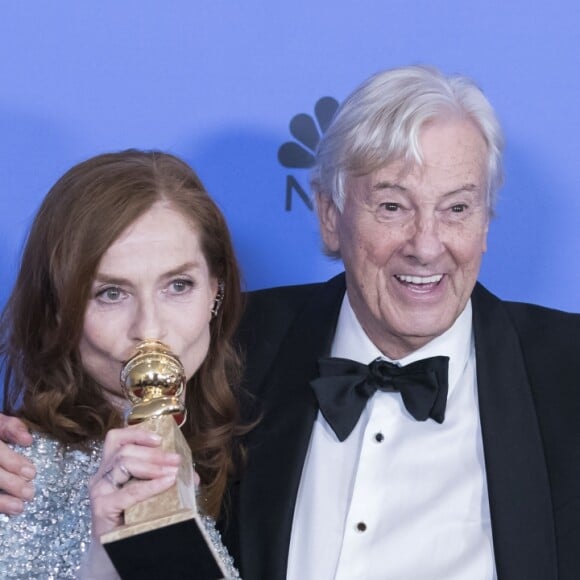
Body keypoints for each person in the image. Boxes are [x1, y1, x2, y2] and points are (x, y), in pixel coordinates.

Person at [2, 65, 580, 580]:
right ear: (329, 217)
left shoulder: (567, 372)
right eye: (392, 206)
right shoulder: (234, 347)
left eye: (456, 207)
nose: (426, 246)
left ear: (486, 222)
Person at [0, 150, 244, 578]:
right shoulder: (14, 482)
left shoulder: (233, 446)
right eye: (111, 293)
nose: (149, 329)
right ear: (59, 310)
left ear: (215, 291)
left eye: (178, 285)